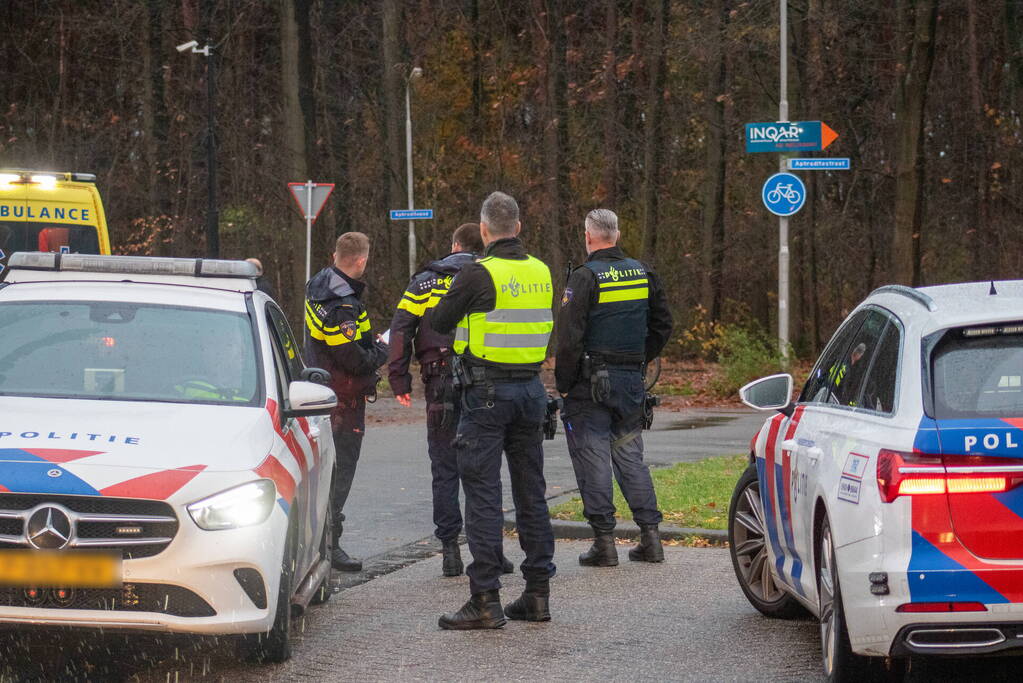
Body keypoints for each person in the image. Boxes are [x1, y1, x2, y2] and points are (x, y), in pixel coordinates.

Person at [431, 191, 556, 629]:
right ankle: (537, 595)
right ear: (518, 227)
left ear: (484, 231)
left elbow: (440, 323)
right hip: (531, 392)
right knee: (531, 493)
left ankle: (485, 599)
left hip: (484, 396)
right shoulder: (542, 271)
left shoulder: (476, 274)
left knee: (483, 495)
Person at [387, 223, 514, 578]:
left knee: (444, 466)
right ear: (481, 245)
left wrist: (399, 378)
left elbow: (401, 327)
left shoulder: (425, 281)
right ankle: (492, 551)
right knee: (484, 466)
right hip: (484, 378)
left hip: (438, 378)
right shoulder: (490, 276)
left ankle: (449, 552)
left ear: (454, 244)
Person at [555, 209, 674, 567]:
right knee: (629, 454)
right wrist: (639, 357)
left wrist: (564, 383)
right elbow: (663, 324)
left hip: (589, 384)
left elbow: (569, 338)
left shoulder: (585, 277)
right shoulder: (643, 272)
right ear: (617, 235)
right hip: (630, 381)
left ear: (589, 237)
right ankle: (650, 538)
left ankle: (604, 543)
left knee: (592, 458)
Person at [304, 232, 388, 572]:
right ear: (361, 260)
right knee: (339, 472)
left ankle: (322, 542)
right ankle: (329, 545)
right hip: (343, 400)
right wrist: (383, 350)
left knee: (325, 469)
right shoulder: (343, 305)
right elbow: (354, 357)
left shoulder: (319, 284)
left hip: (323, 392)